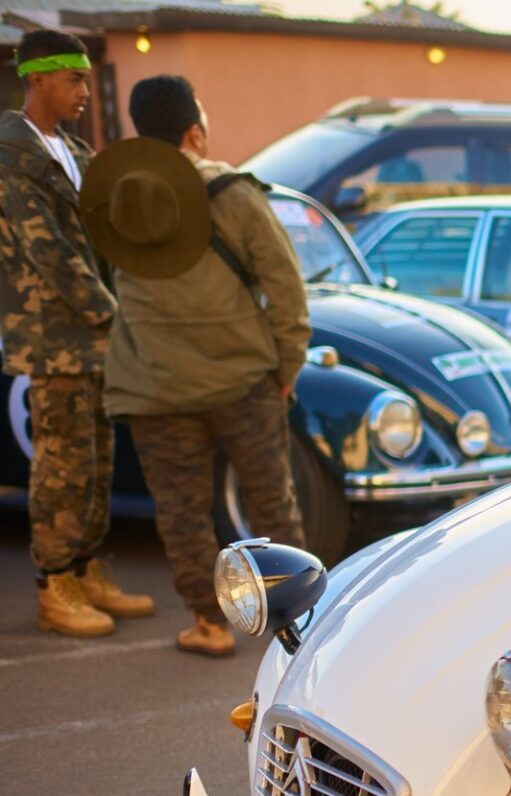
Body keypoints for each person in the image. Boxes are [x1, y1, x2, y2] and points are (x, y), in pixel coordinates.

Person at [90, 76, 308, 658]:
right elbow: (285, 288)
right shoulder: (234, 195)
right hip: (242, 380)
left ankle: (208, 623)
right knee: (271, 504)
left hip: (152, 385)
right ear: (195, 130)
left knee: (181, 511)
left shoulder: (113, 202)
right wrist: (287, 365)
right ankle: (298, 626)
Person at [0, 30, 155, 636]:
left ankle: (86, 569)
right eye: (74, 80)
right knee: (61, 462)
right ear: (38, 80)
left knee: (95, 457)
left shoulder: (70, 150)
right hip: (54, 333)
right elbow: (50, 251)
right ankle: (54, 583)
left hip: (91, 333)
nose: (86, 91)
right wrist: (111, 309)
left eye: (89, 79)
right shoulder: (12, 152)